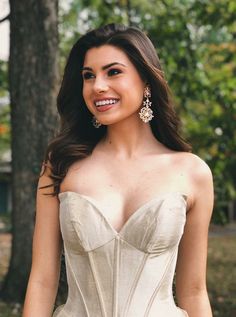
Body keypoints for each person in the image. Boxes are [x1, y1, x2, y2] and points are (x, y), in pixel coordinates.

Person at [22, 23, 214, 317]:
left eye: (113, 72)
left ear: (146, 80)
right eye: (88, 76)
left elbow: (194, 290)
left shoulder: (191, 172)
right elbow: (42, 281)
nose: (97, 86)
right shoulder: (60, 165)